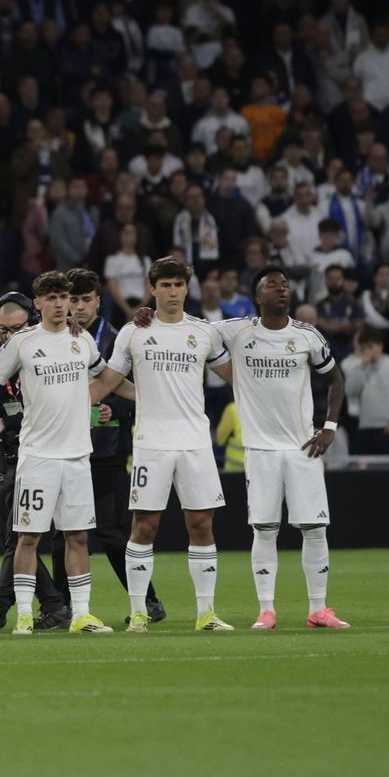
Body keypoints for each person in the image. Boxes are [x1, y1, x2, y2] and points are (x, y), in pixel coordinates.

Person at [100, 258, 235, 632]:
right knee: (144, 526)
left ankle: (206, 613)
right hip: (150, 444)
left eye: (179, 285)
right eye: (166, 285)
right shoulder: (133, 331)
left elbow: (234, 375)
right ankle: (139, 613)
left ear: (186, 288)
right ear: (152, 287)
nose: (173, 292)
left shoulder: (203, 332)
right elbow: (108, 380)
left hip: (195, 442)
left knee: (201, 523)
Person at [213, 267, 349, 629]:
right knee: (265, 529)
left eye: (285, 285)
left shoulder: (306, 335)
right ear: (257, 296)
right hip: (260, 450)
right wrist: (149, 316)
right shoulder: (236, 330)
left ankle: (318, 609)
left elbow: (336, 378)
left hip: (303, 448)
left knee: (315, 529)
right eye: (272, 285)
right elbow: (191, 331)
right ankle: (266, 609)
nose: (281, 290)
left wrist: (329, 427)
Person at [0, 270, 122, 634]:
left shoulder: (83, 342)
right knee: (28, 537)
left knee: (78, 537)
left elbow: (106, 377)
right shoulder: (23, 342)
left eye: (64, 297)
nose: (60, 303)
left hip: (78, 456)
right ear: (38, 304)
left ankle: (81, 614)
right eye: (52, 297)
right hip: (39, 457)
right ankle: (24, 617)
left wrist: (148, 396)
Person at [68, 268, 165, 624]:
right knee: (65, 530)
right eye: (73, 299)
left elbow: (134, 390)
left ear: (98, 300)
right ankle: (62, 607)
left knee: (109, 529)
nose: (78, 306)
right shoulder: (56, 338)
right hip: (66, 446)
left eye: (85, 299)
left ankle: (148, 600)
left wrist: (116, 409)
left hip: (107, 450)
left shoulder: (117, 338)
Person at [0, 294, 71, 631]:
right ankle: (54, 605)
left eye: (19, 328)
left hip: (41, 453)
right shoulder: (2, 358)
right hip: (10, 457)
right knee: (14, 539)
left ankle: (0, 608)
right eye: (5, 330)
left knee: (18, 538)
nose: (12, 336)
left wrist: (9, 423)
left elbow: (51, 405)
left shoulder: (48, 353)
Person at [341, 327, 389, 455]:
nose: (367, 351)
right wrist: (362, 367)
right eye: (363, 347)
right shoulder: (357, 369)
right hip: (366, 428)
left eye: (370, 346)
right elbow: (350, 392)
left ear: (380, 346)